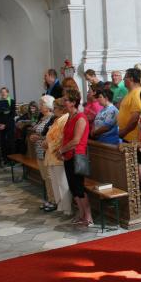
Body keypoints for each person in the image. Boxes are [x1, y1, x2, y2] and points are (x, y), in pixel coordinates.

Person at [55, 89, 93, 226]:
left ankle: (88, 216)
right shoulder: (69, 117)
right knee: (73, 187)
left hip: (79, 156)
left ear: (73, 102)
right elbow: (66, 137)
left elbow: (76, 140)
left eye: (66, 100)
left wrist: (61, 150)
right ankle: (81, 214)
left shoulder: (81, 118)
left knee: (79, 187)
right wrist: (62, 151)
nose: (63, 102)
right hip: (68, 156)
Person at [28, 95, 58, 211]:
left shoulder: (51, 118)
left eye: (42, 104)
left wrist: (37, 137)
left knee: (50, 177)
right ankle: (50, 199)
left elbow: (49, 135)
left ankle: (54, 200)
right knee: (45, 177)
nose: (40, 106)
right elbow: (37, 130)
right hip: (39, 150)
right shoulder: (42, 118)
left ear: (48, 106)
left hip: (46, 151)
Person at [43, 98, 72, 215]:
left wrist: (48, 144)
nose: (52, 110)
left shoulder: (65, 119)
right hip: (51, 155)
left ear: (61, 108)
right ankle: (60, 206)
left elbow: (61, 138)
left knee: (62, 183)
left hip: (58, 155)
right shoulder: (57, 119)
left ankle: (67, 209)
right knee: (55, 183)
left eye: (54, 108)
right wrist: (45, 142)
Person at [116, 68, 141, 143]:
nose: (123, 80)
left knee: (131, 155)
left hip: (133, 139)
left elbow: (136, 118)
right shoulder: (130, 93)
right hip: (127, 137)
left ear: (131, 79)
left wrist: (124, 132)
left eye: (125, 78)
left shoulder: (137, 93)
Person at [0, 87, 16, 162]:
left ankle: (12, 159)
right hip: (0, 125)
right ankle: (5, 159)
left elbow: (12, 115)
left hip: (9, 124)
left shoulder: (12, 102)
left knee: (10, 142)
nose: (3, 93)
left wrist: (5, 125)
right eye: (2, 92)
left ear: (7, 93)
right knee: (2, 143)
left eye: (5, 92)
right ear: (0, 94)